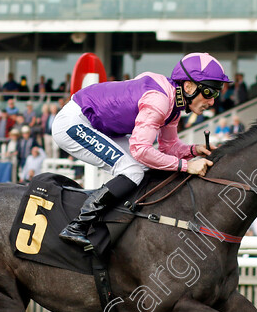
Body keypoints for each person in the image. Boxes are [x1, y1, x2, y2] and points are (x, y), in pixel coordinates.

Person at [51, 53, 226, 248]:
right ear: (189, 86)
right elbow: (141, 150)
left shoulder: (174, 104)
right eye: (210, 93)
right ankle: (78, 225)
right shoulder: (159, 101)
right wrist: (187, 166)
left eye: (216, 94)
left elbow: (168, 148)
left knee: (139, 167)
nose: (212, 102)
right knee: (132, 170)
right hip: (74, 123)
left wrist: (194, 150)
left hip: (98, 124)